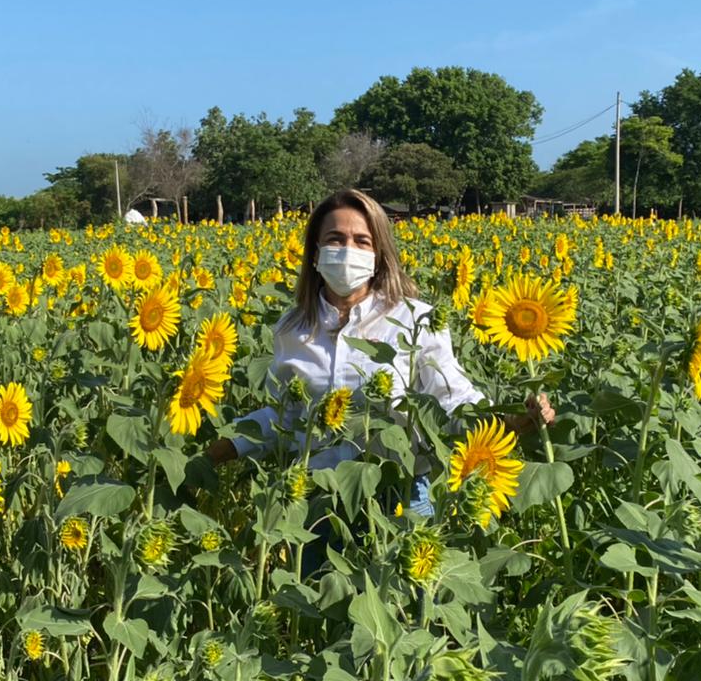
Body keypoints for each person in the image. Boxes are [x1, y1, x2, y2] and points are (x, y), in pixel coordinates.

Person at [205, 189, 553, 513]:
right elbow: (283, 415)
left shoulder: (415, 319)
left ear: (378, 254)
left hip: (400, 493)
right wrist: (215, 453)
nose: (347, 250)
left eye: (362, 241)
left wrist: (508, 421)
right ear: (315, 253)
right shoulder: (293, 327)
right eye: (335, 239)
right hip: (315, 498)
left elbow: (450, 401)